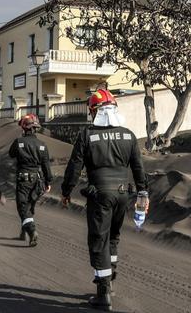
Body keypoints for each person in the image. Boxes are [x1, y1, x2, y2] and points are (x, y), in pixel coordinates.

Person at [62, 89, 147, 311]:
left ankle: (103, 293)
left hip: (100, 195)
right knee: (114, 237)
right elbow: (138, 168)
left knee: (98, 240)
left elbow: (74, 167)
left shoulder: (87, 135)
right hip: (123, 195)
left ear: (94, 111)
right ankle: (112, 279)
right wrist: (143, 192)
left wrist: (66, 191)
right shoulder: (129, 135)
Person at [9, 113, 52, 247]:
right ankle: (24, 232)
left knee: (22, 206)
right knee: (29, 205)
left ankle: (31, 231)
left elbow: (11, 154)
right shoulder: (42, 145)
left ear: (24, 127)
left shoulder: (19, 142)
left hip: (23, 179)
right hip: (37, 180)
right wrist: (48, 182)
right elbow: (46, 165)